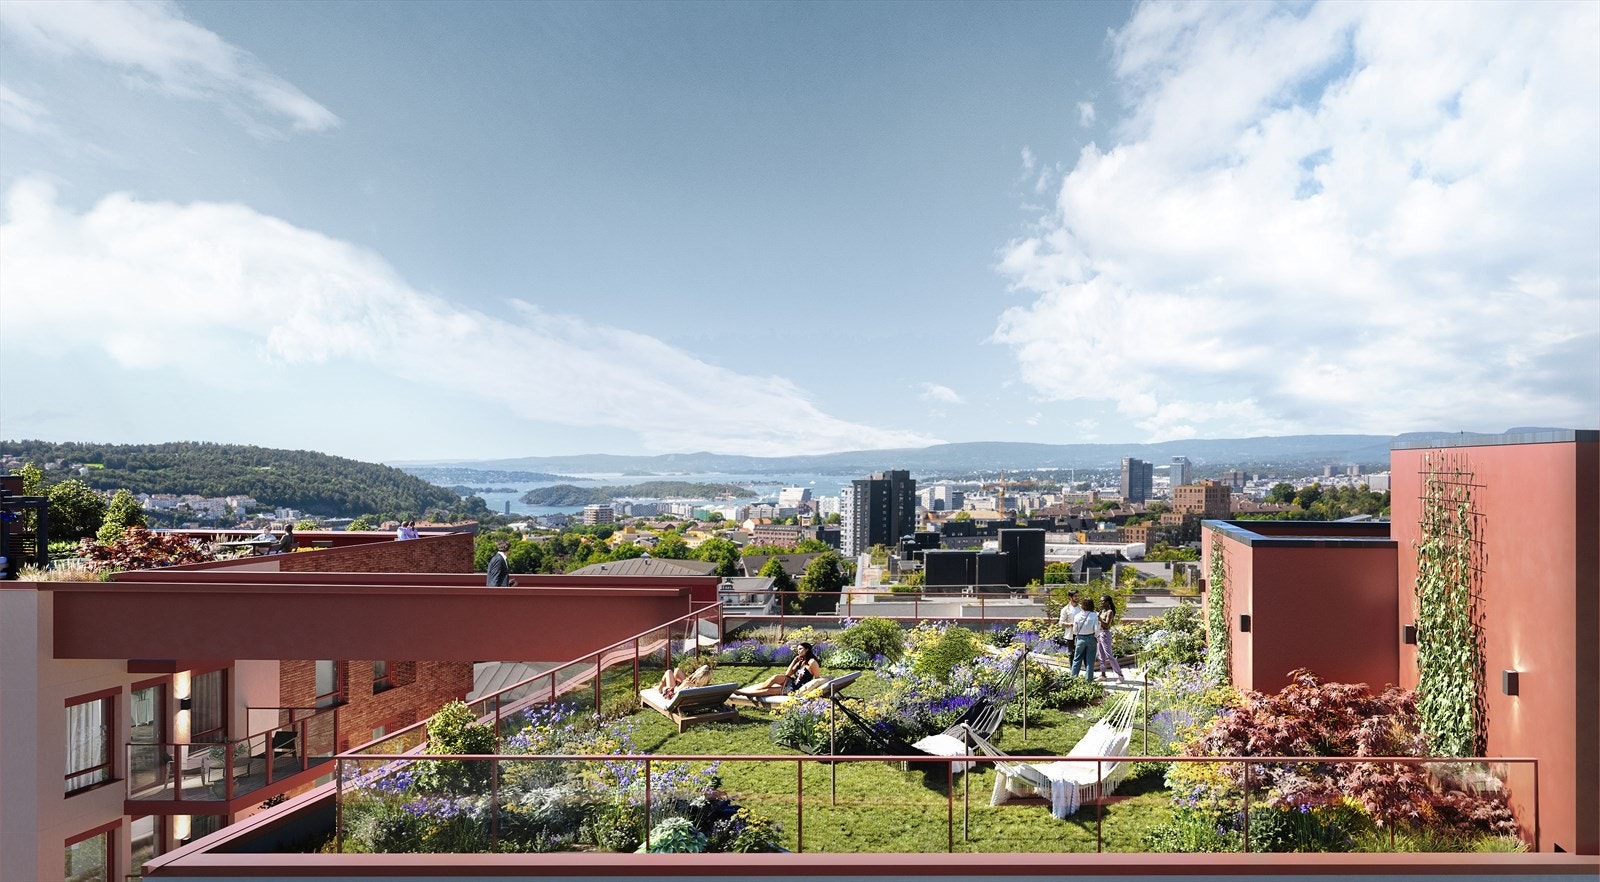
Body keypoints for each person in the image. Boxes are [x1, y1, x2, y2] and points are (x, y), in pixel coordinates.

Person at [733, 642, 821, 698]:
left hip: (796, 688)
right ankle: (756, 689)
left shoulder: (812, 662)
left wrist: (807, 692)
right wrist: (794, 661)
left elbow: (817, 679)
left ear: (807, 649)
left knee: (768, 691)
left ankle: (743, 693)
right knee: (775, 677)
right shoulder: (801, 662)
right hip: (792, 682)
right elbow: (787, 674)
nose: (798, 651)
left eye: (800, 649)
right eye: (797, 650)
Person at [1070, 597, 1099, 680]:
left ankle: (1073, 678)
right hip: (1091, 638)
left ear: (1082, 605)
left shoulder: (1077, 616)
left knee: (1077, 659)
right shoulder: (1094, 615)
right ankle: (1089, 680)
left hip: (1080, 638)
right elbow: (1096, 630)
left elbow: (1075, 630)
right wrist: (1096, 636)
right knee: (1090, 660)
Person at [1096, 594, 1124, 681]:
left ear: (1107, 602)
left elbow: (1107, 625)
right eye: (1100, 601)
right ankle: (1103, 675)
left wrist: (1099, 618)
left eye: (1102, 601)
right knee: (1101, 655)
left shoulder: (1109, 612)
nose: (1100, 603)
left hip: (1105, 634)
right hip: (1099, 633)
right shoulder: (1101, 611)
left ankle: (1120, 675)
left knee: (1109, 655)